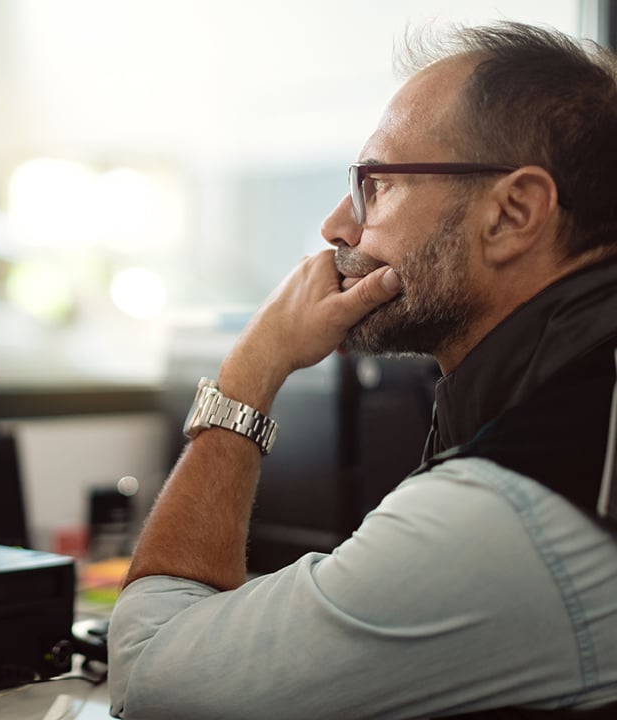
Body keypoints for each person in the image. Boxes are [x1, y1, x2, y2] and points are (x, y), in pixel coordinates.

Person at [107, 21, 617, 720]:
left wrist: (250, 369)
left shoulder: (515, 508)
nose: (337, 228)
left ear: (513, 213)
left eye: (376, 185)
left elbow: (149, 680)